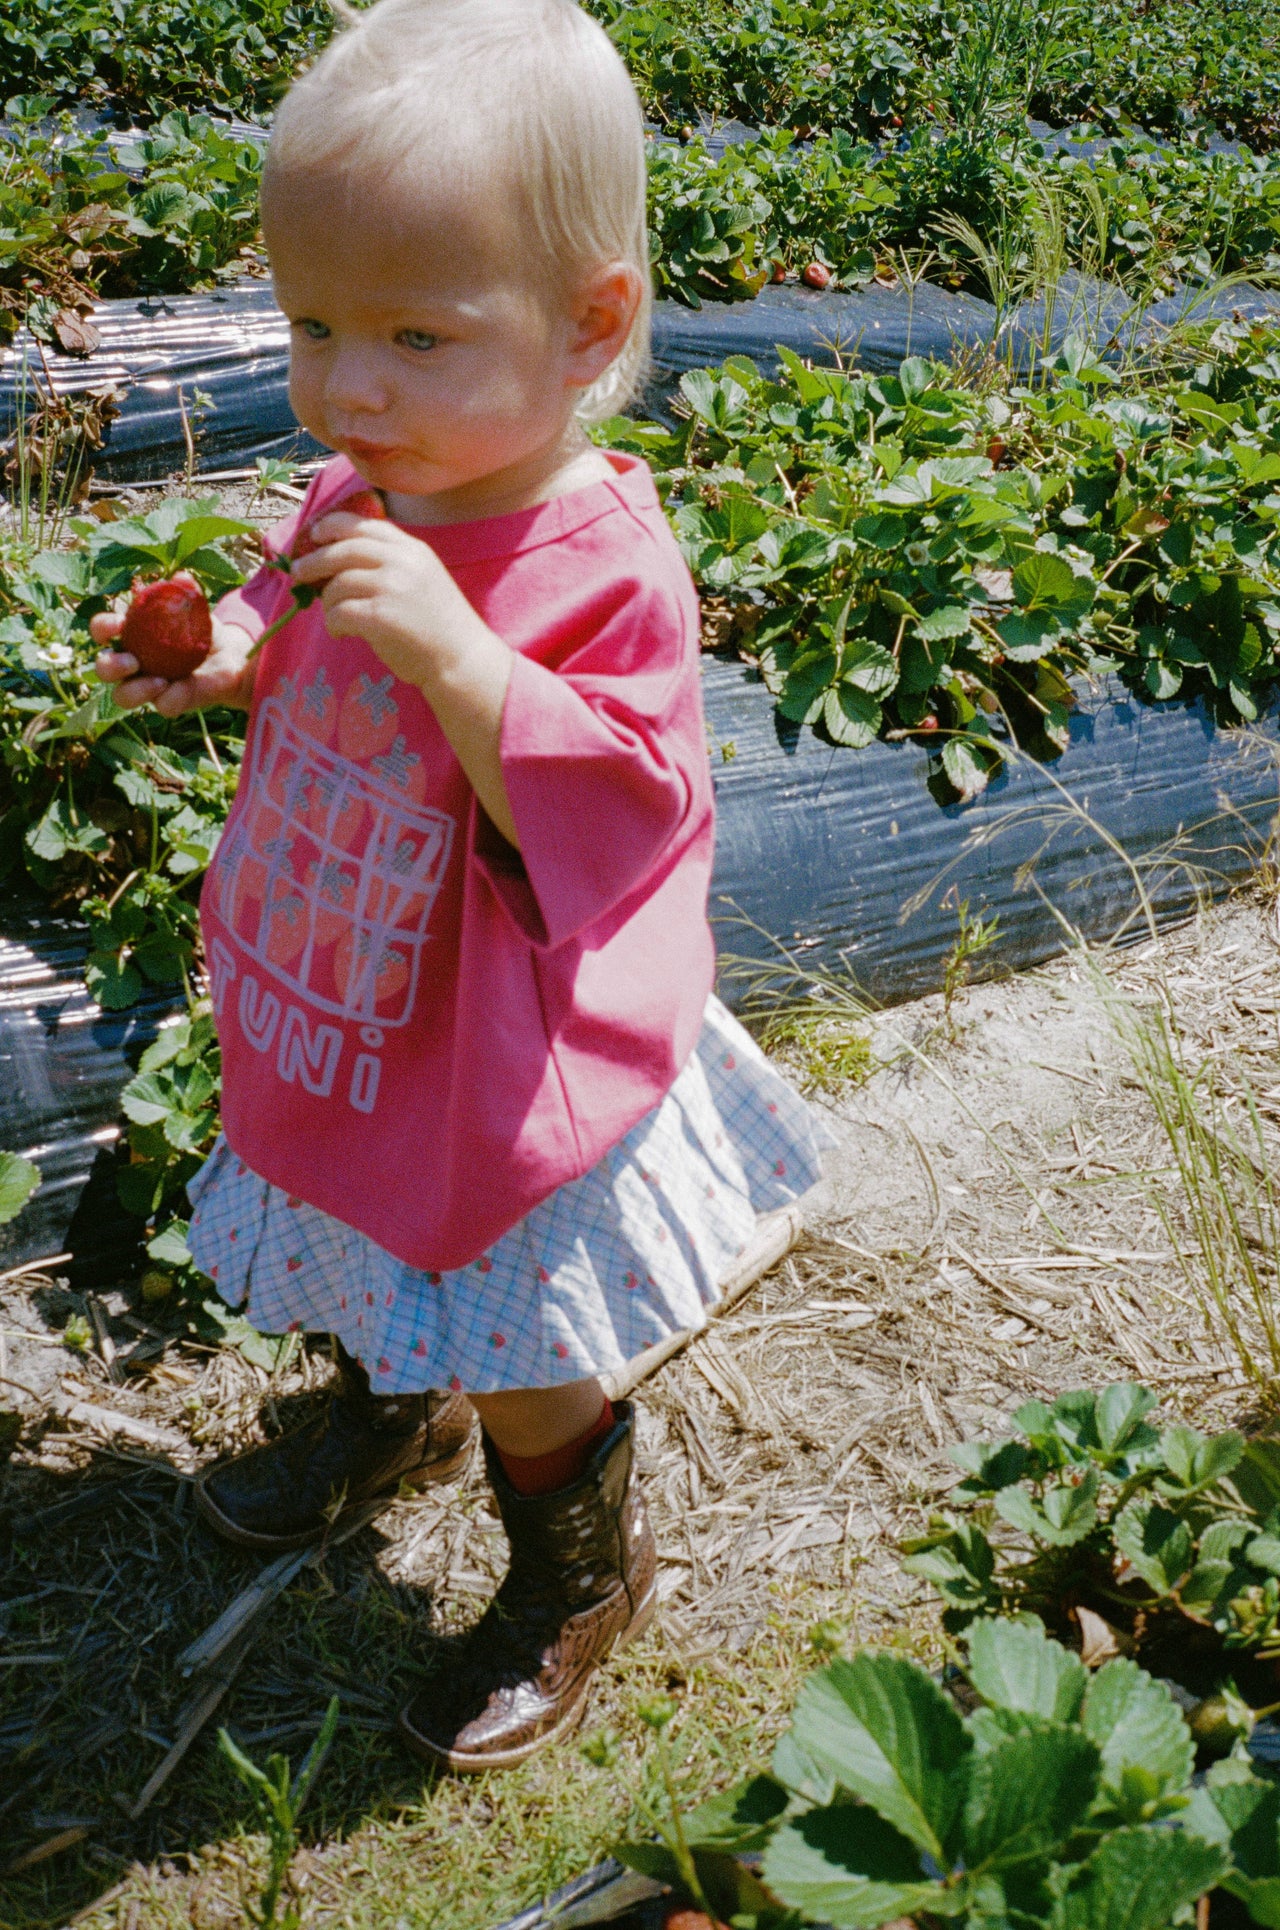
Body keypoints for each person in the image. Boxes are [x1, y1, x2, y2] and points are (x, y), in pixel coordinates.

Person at [93, 0, 830, 1773]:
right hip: (355, 973)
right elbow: (294, 598)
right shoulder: (381, 474)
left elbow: (619, 803)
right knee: (351, 1207)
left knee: (509, 1308)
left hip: (497, 1035)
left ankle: (574, 1564)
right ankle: (382, 1409)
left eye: (416, 331)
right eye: (314, 323)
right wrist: (225, 659)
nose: (347, 387)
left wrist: (466, 666)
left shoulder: (602, 559)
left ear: (591, 326)